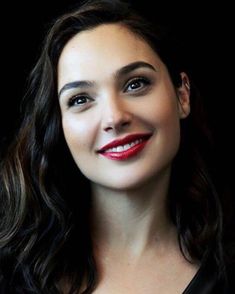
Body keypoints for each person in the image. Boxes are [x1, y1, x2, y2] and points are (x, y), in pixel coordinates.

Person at [0, 0, 234, 293]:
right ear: (59, 127)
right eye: (81, 100)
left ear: (182, 95)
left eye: (135, 84)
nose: (114, 117)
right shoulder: (9, 274)